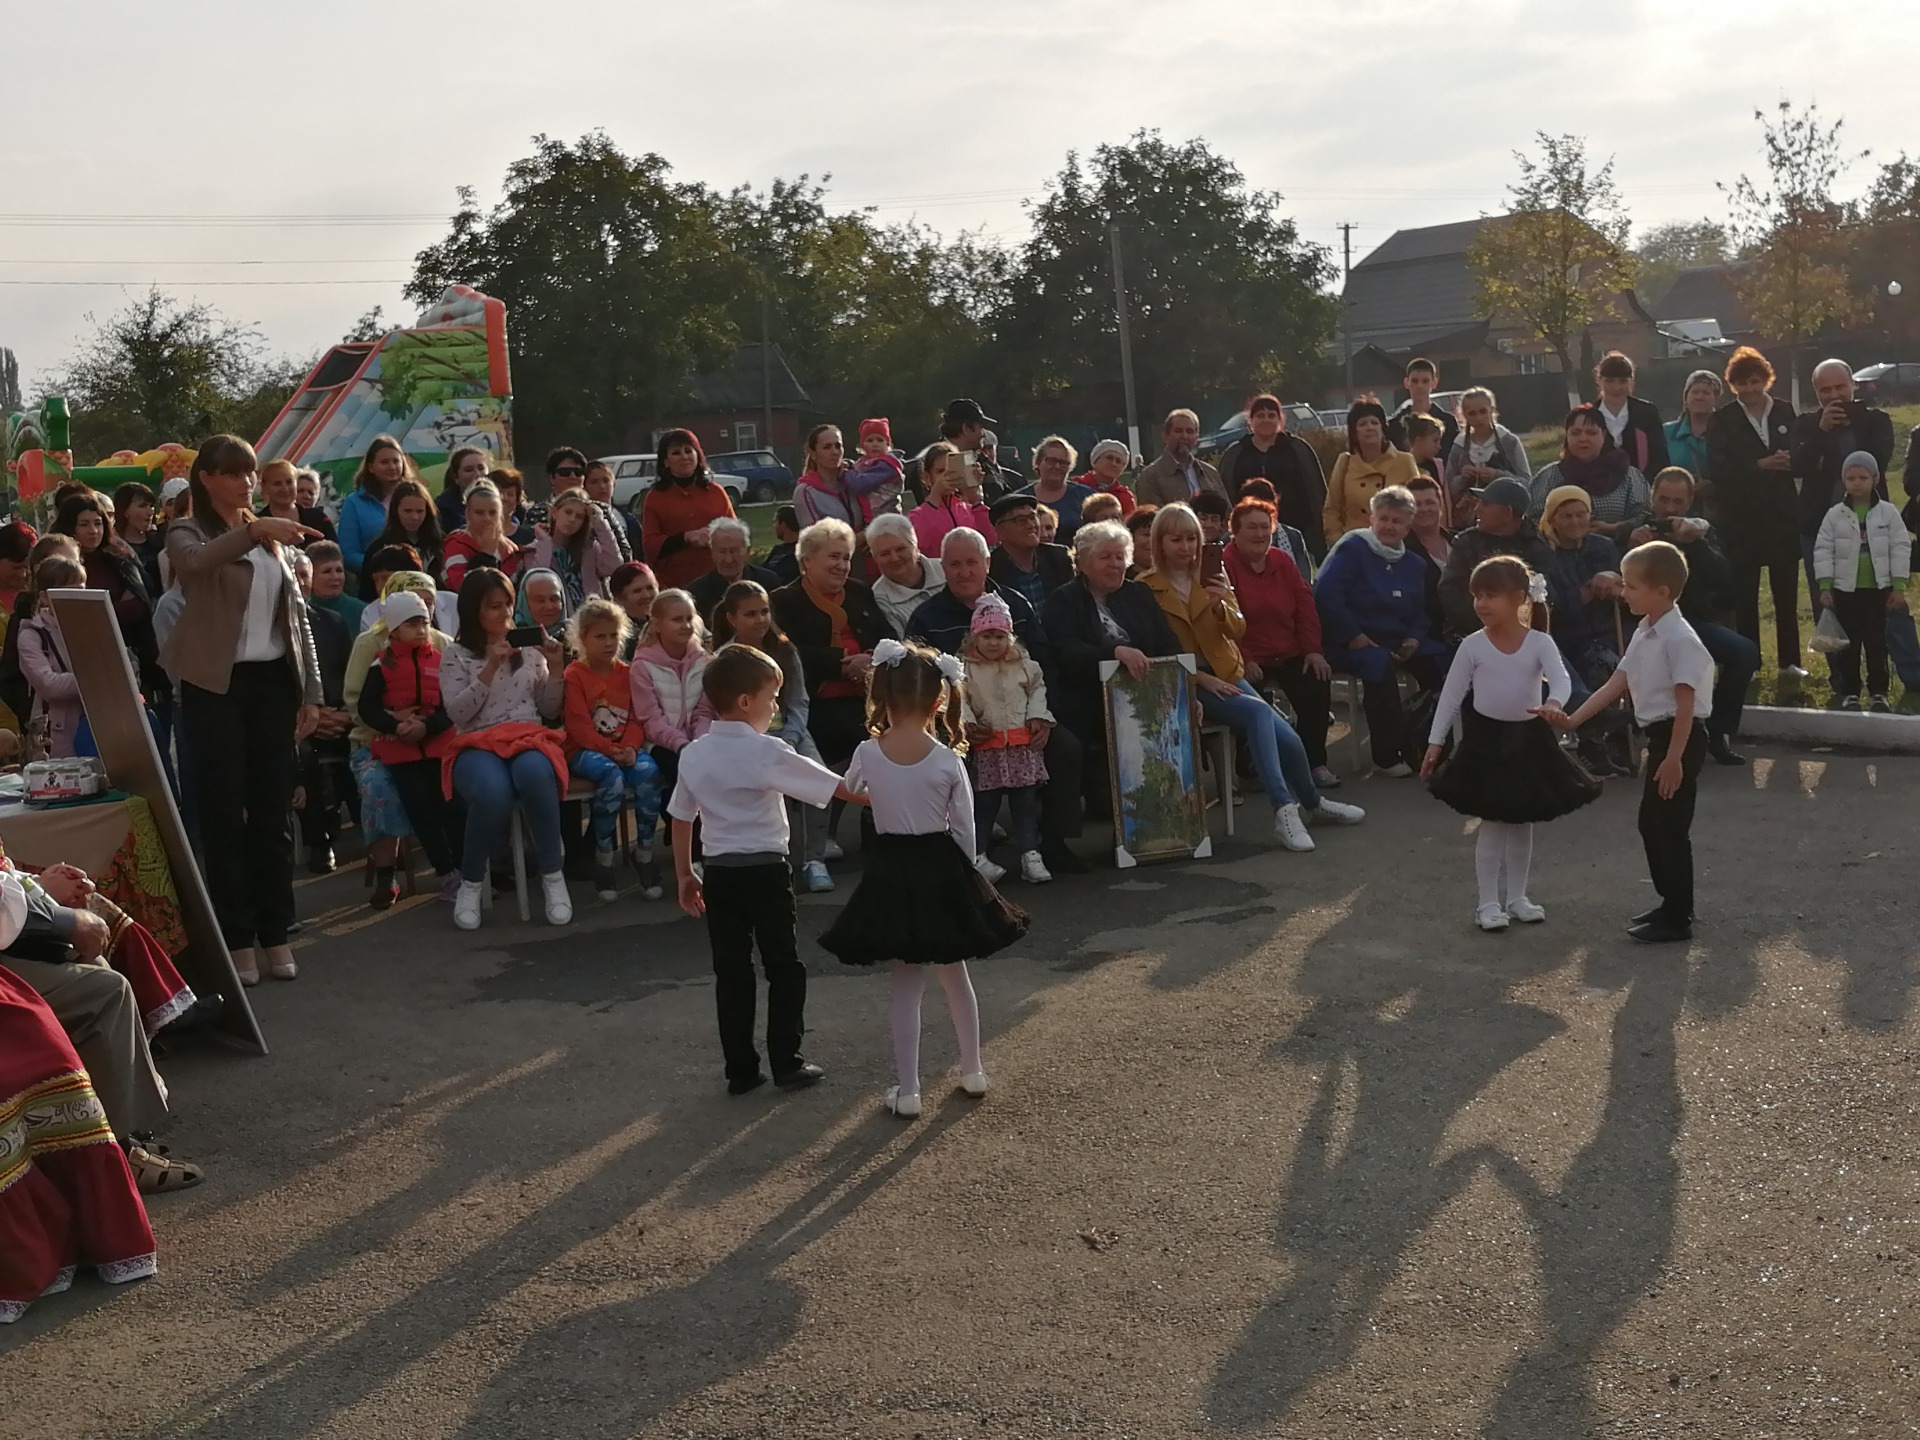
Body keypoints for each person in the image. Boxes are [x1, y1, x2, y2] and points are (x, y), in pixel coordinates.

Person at [818, 640, 1026, 1118]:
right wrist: (967, 874)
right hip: (941, 866)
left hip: (891, 869)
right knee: (956, 977)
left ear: (882, 698)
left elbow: (850, 789)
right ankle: (973, 1070)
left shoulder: (869, 752)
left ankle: (909, 1090)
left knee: (906, 984)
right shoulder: (948, 760)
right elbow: (968, 829)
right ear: (939, 702)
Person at [162, 435, 321, 984]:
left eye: (250, 472)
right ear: (206, 477)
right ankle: (237, 939)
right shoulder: (189, 527)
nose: (246, 482)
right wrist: (252, 531)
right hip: (215, 686)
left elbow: (296, 618)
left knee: (273, 815)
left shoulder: (270, 534)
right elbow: (191, 565)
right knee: (225, 816)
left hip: (273, 683)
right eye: (233, 473)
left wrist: (311, 693)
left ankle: (277, 933)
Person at [670, 644, 848, 1095]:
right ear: (746, 701)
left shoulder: (693, 754)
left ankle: (741, 1070)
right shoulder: (769, 751)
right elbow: (832, 787)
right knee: (783, 965)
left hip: (719, 872)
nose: (775, 708)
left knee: (732, 972)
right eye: (772, 698)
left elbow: (681, 817)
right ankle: (787, 1061)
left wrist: (685, 875)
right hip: (767, 870)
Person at [1145, 505, 1365, 845]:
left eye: (1191, 538)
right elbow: (1156, 648)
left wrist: (1221, 606)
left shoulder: (1211, 576)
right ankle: (1284, 809)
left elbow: (1237, 628)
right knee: (1258, 711)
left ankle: (1314, 803)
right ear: (1159, 543)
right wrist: (1198, 680)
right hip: (1185, 680)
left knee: (1290, 741)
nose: (1185, 547)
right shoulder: (1146, 587)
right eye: (1176, 539)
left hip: (1227, 671)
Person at [1539, 541, 1714, 944]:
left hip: (1680, 738)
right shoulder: (1647, 628)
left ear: (1662, 592)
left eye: (1632, 586)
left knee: (1666, 825)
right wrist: (1573, 718)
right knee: (1655, 823)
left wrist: (1674, 759)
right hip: (1664, 735)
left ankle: (1678, 915)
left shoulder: (1678, 638)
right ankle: (1671, 903)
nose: (1624, 592)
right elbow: (1618, 681)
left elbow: (1686, 704)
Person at [1422, 556, 1600, 932]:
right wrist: (1435, 744)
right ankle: (1488, 903)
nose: (1481, 604)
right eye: (1477, 595)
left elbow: (1563, 681)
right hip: (1486, 743)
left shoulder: (1539, 642)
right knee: (1492, 824)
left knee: (1522, 824)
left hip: (1529, 741)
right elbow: (1451, 697)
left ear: (1519, 597)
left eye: (1491, 595)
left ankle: (1517, 897)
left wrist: (1554, 703)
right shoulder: (1472, 647)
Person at [906, 527, 1087, 874]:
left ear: (987, 563)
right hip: (961, 724)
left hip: (1023, 718)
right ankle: (966, 850)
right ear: (942, 567)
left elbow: (1044, 665)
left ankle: (1051, 843)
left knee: (1066, 747)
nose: (964, 572)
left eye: (971, 562)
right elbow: (917, 679)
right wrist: (955, 723)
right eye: (954, 564)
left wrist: (1043, 717)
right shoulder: (927, 617)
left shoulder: (1017, 605)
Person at [441, 568, 571, 929]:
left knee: (535, 774)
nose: (503, 614)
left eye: (507, 605)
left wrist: (557, 668)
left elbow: (547, 708)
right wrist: (490, 667)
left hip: (527, 736)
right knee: (492, 792)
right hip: (476, 741)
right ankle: (470, 883)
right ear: (473, 611)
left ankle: (553, 877)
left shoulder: (528, 649)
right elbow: (459, 712)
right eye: (493, 606)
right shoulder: (456, 654)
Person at [1041, 520, 1182, 815]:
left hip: (1147, 695)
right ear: (1082, 563)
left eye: (1120, 556)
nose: (1115, 564)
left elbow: (1169, 646)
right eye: (1106, 557)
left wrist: (1184, 695)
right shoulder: (1063, 600)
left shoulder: (1139, 594)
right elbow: (1065, 652)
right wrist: (1115, 651)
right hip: (1088, 700)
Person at [1316, 486, 1451, 777]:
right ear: (1372, 520)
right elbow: (1326, 596)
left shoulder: (1414, 563)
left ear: (1407, 526)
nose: (1389, 526)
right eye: (1384, 519)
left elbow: (1420, 610)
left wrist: (1414, 637)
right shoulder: (1352, 549)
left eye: (1397, 521)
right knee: (1379, 667)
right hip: (1353, 641)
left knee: (1443, 662)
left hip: (1399, 639)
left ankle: (1437, 744)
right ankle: (1386, 756)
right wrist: (1353, 635)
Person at [1627, 468, 1755, 765]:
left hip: (1691, 623)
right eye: (1663, 500)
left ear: (1689, 502)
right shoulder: (1636, 530)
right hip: (1643, 625)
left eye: (1678, 501)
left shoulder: (1701, 532)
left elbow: (1725, 580)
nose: (1670, 509)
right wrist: (1630, 545)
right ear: (1652, 497)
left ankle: (1718, 732)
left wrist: (1694, 545)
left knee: (1744, 652)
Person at [714, 580, 834, 893]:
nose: (760, 620)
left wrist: (792, 738)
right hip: (748, 738)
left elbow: (798, 700)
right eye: (750, 614)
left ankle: (814, 859)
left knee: (817, 778)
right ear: (732, 619)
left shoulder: (785, 649)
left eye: (764, 612)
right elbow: (724, 708)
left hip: (790, 733)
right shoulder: (725, 660)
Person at [343, 570, 450, 907]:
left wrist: (424, 724)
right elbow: (356, 703)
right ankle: (387, 874)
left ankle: (463, 866)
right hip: (375, 742)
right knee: (379, 787)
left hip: (432, 740)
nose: (424, 616)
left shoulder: (442, 644)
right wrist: (395, 723)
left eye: (429, 602)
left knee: (453, 785)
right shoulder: (371, 647)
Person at [1222, 497, 1337, 787]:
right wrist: (1244, 658)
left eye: (1265, 527)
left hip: (1288, 650)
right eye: (1251, 528)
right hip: (1246, 655)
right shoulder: (1224, 564)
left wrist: (1313, 650)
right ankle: (1249, 768)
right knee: (1247, 697)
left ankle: (1315, 763)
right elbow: (1221, 619)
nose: (1260, 534)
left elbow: (1304, 605)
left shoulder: (1283, 561)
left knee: (1316, 679)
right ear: (1234, 531)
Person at [1793, 360, 1901, 653]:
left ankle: (1883, 675)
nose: (1833, 395)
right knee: (1826, 600)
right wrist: (1822, 431)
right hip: (1819, 525)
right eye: (1824, 389)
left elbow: (1874, 463)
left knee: (1880, 601)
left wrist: (1826, 459)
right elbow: (1798, 466)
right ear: (1816, 392)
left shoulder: (1876, 421)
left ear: (1853, 384)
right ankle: (1841, 679)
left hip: (1872, 525)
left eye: (1840, 386)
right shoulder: (1806, 424)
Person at [1706, 346, 1802, 674]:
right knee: (1745, 597)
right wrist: (1758, 465)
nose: (1749, 388)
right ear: (1733, 385)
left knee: (1786, 596)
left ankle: (1790, 662)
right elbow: (1718, 469)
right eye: (1742, 383)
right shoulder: (1723, 419)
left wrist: (1791, 463)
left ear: (1766, 379)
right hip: (1741, 520)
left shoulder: (1787, 412)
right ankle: (1751, 661)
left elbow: (1803, 456)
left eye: (1755, 381)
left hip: (1782, 519)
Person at [563, 595, 663, 901]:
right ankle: (603, 855)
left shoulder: (628, 672)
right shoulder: (574, 675)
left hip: (624, 749)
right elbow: (578, 726)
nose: (608, 642)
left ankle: (644, 852)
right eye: (599, 636)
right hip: (584, 751)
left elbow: (637, 717)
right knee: (611, 778)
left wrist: (631, 747)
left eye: (613, 635)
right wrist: (610, 750)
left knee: (649, 772)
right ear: (583, 639)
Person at [958, 595, 1053, 884]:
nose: (993, 643)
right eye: (987, 636)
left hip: (1021, 747)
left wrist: (1039, 715)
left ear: (1009, 638)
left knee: (1025, 806)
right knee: (985, 806)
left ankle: (1030, 855)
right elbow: (958, 698)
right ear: (975, 637)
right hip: (989, 749)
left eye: (1000, 636)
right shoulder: (966, 668)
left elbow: (1038, 689)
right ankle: (977, 855)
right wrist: (968, 724)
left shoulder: (1025, 665)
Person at [1538, 486, 1630, 774]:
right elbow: (1555, 609)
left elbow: (1627, 591)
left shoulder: (1603, 547)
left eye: (1581, 514)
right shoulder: (1544, 554)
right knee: (1603, 668)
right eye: (1566, 516)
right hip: (1566, 637)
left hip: (1605, 631)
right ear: (1552, 520)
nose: (1575, 521)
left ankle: (1618, 740)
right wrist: (1592, 588)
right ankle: (1593, 744)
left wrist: (1615, 579)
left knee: (1622, 664)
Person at [56, 490, 164, 724]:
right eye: (84, 524)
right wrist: (114, 608)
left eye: (98, 523)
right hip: (85, 666)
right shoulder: (59, 569)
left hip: (133, 661)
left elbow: (141, 605)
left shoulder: (118, 560)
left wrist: (106, 610)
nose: (93, 531)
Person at [1813, 451, 1910, 712]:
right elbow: (1823, 549)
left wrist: (1898, 586)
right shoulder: (1834, 516)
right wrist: (1825, 585)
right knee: (1849, 645)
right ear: (1843, 480)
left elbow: (1900, 548)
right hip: (1846, 591)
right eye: (1851, 477)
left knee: (1877, 643)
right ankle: (1850, 692)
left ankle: (1879, 692)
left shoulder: (1888, 514)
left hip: (1879, 590)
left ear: (1875, 479)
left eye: (1863, 477)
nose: (1857, 483)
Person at [291, 548, 354, 874]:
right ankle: (320, 842)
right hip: (294, 722)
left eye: (305, 576)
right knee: (304, 753)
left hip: (334, 714)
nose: (300, 584)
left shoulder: (332, 622)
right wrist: (310, 719)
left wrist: (342, 714)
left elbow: (346, 676)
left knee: (365, 741)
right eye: (294, 576)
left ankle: (377, 839)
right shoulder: (270, 630)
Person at [629, 588, 713, 820]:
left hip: (696, 740)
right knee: (682, 773)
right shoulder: (642, 666)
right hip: (660, 743)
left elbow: (704, 710)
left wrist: (700, 742)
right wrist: (682, 744)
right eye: (677, 620)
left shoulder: (703, 661)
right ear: (657, 624)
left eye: (689, 618)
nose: (686, 625)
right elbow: (650, 721)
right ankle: (688, 845)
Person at [1439, 477, 1556, 638]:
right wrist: (1489, 625)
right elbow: (1450, 592)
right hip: (1469, 634)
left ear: (1507, 513)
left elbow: (1546, 596)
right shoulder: (1467, 542)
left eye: (1485, 504)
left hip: (1524, 636)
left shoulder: (1537, 548)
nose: (1477, 509)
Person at [1216, 394, 1329, 559]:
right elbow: (1224, 493)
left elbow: (1317, 492)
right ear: (1250, 420)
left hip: (1298, 533)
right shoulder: (1235, 454)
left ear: (1280, 419)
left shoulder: (1298, 450)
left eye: (1271, 415)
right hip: (1249, 534)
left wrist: (1318, 535)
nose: (1266, 420)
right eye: (1260, 415)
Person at [1526, 404, 1652, 542]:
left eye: (1591, 433)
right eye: (1576, 433)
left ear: (1603, 435)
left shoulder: (1629, 476)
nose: (1583, 439)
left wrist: (1612, 528)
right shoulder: (1548, 476)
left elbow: (1643, 516)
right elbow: (1532, 519)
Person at [641, 430, 736, 591]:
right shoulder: (654, 497)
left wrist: (714, 534)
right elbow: (649, 545)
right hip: (674, 583)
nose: (684, 457)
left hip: (718, 580)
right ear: (665, 461)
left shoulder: (716, 492)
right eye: (676, 453)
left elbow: (736, 534)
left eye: (688, 451)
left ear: (698, 455)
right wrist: (686, 538)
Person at [17, 556, 89, 756]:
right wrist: (94, 679)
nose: (77, 599)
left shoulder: (94, 625)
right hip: (59, 732)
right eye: (68, 593)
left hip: (100, 722)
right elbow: (49, 685)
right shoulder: (32, 635)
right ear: (45, 597)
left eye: (81, 591)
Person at [1323, 400, 1420, 545]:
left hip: (1394, 544)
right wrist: (1337, 541)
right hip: (1355, 546)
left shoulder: (1405, 461)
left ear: (1383, 428)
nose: (1369, 427)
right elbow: (1332, 509)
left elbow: (1416, 506)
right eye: (1362, 424)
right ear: (1354, 432)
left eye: (1374, 422)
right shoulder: (1344, 462)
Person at [1445, 386, 1533, 531]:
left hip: (1505, 520)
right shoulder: (1459, 446)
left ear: (1492, 410)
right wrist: (1463, 478)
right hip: (1467, 522)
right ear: (1464, 415)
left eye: (1483, 411)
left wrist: (1497, 475)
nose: (1478, 418)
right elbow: (1449, 489)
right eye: (1472, 413)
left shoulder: (1508, 442)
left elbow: (1526, 482)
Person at [531, 486, 622, 612]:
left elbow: (614, 567)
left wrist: (600, 524)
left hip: (591, 617)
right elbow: (536, 580)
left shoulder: (589, 549)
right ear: (554, 512)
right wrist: (545, 542)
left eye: (579, 517)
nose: (572, 519)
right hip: (557, 617)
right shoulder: (536, 549)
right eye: (568, 512)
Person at [338, 434, 411, 585]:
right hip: (374, 584)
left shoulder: (415, 497)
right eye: (384, 462)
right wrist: (381, 568)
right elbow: (348, 553)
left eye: (396, 461)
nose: (392, 466)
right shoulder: (354, 503)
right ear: (371, 467)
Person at [987, 493, 1074, 615]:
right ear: (1000, 531)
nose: (1031, 525)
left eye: (1033, 517)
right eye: (1021, 520)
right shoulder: (990, 571)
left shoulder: (1059, 558)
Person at [907, 440, 993, 560]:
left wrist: (976, 498)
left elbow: (991, 539)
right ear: (926, 477)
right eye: (940, 471)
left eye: (953, 471)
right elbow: (918, 542)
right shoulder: (917, 515)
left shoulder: (969, 510)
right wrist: (935, 494)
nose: (947, 476)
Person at [361, 478, 445, 600]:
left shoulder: (441, 544)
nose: (414, 517)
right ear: (396, 511)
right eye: (408, 511)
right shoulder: (379, 548)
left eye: (420, 511)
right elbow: (367, 592)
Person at [1592, 351, 1671, 476]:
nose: (1616, 387)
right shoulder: (1589, 415)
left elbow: (1660, 458)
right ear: (1599, 380)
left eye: (1622, 381)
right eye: (1610, 381)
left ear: (1631, 381)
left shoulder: (1647, 413)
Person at [686, 516, 777, 623]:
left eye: (734, 551)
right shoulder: (697, 592)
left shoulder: (769, 582)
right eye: (722, 551)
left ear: (748, 551)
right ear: (712, 553)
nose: (728, 559)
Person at [866, 513, 945, 636]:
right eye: (885, 553)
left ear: (915, 546)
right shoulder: (880, 599)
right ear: (875, 558)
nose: (894, 558)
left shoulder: (946, 570)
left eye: (900, 549)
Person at [439, 477, 524, 591]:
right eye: (479, 513)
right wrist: (487, 554)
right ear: (468, 513)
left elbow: (514, 590)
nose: (487, 518)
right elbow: (461, 586)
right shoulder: (456, 544)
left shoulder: (510, 549)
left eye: (492, 512)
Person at [1135, 408, 1225, 508]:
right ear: (1165, 436)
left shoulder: (1211, 474)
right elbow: (1153, 519)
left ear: (1196, 438)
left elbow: (1227, 514)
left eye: (1190, 431)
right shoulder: (1150, 477)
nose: (1185, 436)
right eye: (1178, 431)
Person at [1016, 437, 1095, 544]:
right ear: (1037, 463)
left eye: (1063, 462)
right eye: (1051, 461)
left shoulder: (1086, 497)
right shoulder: (1019, 500)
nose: (1057, 466)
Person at [1385, 356, 1461, 459]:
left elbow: (1454, 458)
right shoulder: (1395, 425)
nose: (1420, 386)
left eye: (1425, 381)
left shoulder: (1448, 422)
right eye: (1415, 381)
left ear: (1434, 383)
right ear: (1406, 383)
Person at [793, 424, 862, 532]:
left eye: (838, 446)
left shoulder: (855, 481)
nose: (834, 452)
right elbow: (814, 539)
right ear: (813, 454)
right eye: (827, 447)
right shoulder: (806, 492)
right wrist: (862, 537)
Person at [257, 458, 337, 547]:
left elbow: (336, 553)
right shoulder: (258, 524)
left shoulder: (318, 518)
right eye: (277, 484)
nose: (285, 489)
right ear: (264, 487)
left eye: (289, 482)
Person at [1663, 370, 1722, 489]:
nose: (1699, 397)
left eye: (1706, 393)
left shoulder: (1728, 434)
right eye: (1695, 392)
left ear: (1716, 399)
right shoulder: (1666, 433)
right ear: (1686, 397)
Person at [844, 418, 906, 525]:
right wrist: (848, 464)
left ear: (888, 444)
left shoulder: (887, 465)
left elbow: (863, 484)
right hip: (872, 519)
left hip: (888, 520)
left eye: (880, 440)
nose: (875, 444)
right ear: (862, 445)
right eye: (870, 440)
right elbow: (856, 468)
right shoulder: (865, 463)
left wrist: (843, 473)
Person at [112, 480, 166, 598]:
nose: (150, 511)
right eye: (143, 506)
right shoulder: (113, 549)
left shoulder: (159, 543)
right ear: (124, 511)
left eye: (151, 506)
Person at [581, 458, 639, 562]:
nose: (602, 486)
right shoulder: (581, 518)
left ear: (614, 484)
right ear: (584, 487)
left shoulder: (627, 518)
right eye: (594, 482)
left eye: (606, 480)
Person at [434, 444, 492, 536]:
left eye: (481, 468)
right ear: (456, 477)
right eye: (469, 470)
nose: (477, 474)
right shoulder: (443, 508)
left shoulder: (505, 499)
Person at [303, 540, 364, 628]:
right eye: (327, 571)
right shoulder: (300, 611)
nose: (335, 577)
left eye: (339, 570)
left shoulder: (362, 611)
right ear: (310, 575)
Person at [609, 561, 659, 658]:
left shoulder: (669, 622)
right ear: (619, 598)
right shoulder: (616, 633)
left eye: (650, 588)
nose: (647, 595)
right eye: (637, 591)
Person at [1077, 439, 1137, 517]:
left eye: (1118, 461)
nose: (1113, 464)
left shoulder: (1125, 496)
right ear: (1095, 462)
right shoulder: (1077, 487)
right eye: (1109, 458)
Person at [1406, 475, 1451, 570]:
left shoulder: (1459, 542)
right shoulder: (1402, 550)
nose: (1424, 509)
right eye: (1417, 504)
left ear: (1440, 505)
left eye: (1430, 502)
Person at [1404, 414, 1448, 501]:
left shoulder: (1438, 466)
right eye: (1435, 441)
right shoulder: (1402, 465)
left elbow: (1445, 498)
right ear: (1419, 441)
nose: (1439, 447)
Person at [492, 467, 537, 547]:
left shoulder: (528, 537)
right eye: (500, 493)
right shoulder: (475, 534)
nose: (505, 498)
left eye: (510, 494)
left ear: (517, 500)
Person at [763, 506, 801, 585]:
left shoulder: (800, 552)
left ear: (783, 525)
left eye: (775, 522)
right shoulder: (778, 550)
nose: (774, 526)